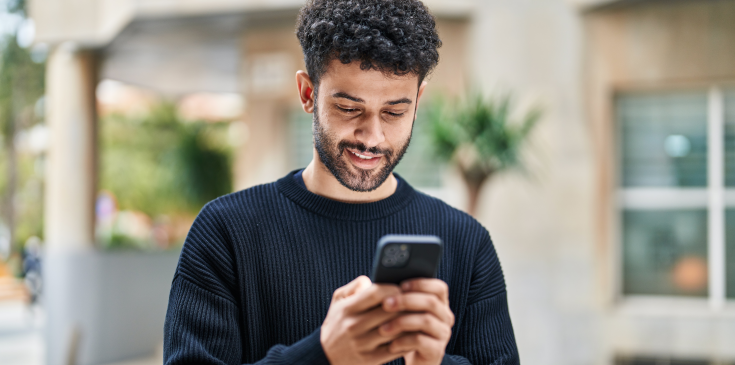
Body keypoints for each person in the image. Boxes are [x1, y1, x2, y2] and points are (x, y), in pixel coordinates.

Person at [163, 0, 519, 364]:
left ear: (418, 100)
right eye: (349, 109)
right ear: (308, 94)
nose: (372, 137)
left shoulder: (466, 243)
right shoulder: (225, 233)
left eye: (395, 112)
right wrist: (323, 354)